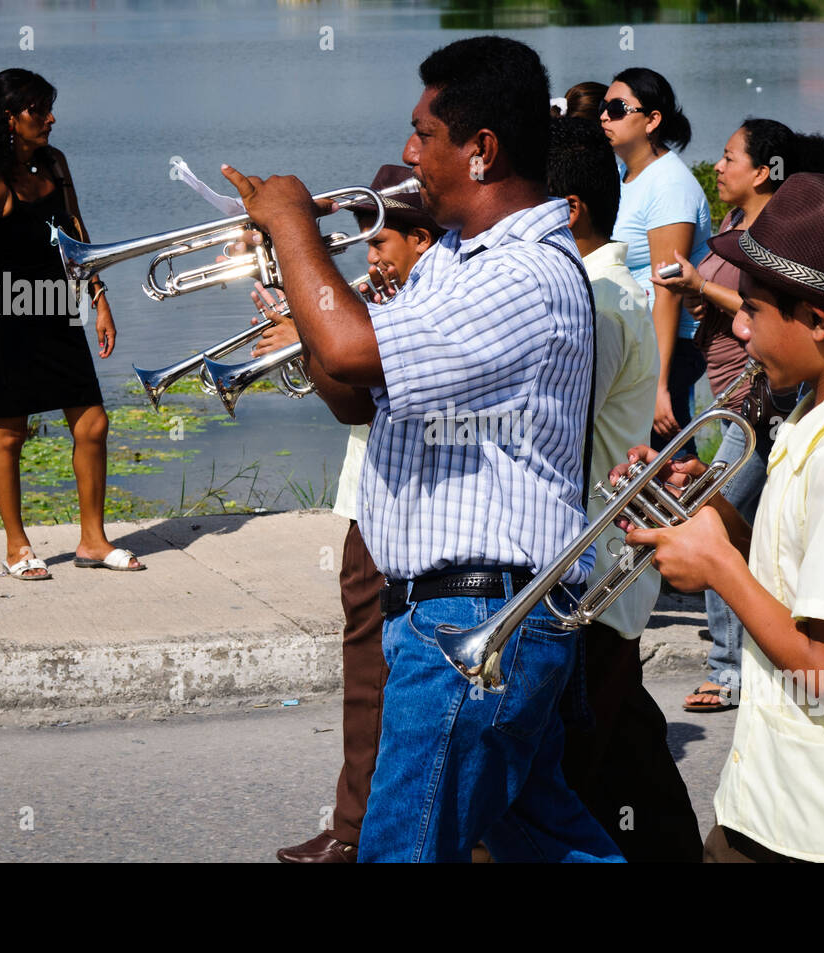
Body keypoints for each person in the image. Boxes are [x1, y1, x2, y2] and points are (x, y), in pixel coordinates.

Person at [222, 36, 622, 862]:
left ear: (480, 152)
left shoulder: (523, 276)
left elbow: (350, 351)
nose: (408, 153)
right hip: (456, 617)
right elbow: (351, 394)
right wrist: (295, 288)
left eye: (423, 134)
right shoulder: (451, 263)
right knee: (553, 847)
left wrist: (296, 227)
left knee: (397, 851)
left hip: (475, 622)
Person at [622, 173, 824, 862]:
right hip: (774, 805)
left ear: (820, 322)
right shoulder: (821, 407)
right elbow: (797, 572)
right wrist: (706, 510)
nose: (738, 325)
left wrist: (717, 567)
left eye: (755, 309)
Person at [256, 165, 444, 862]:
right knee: (370, 674)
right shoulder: (384, 301)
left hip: (391, 510)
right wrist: (306, 324)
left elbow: (359, 397)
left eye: (380, 243)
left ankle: (357, 830)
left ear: (422, 239)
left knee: (375, 677)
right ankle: (359, 823)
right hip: (367, 499)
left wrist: (312, 335)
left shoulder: (428, 305)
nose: (369, 259)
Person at [546, 117, 703, 861]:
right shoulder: (604, 285)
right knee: (626, 754)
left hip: (591, 577)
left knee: (568, 779)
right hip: (607, 570)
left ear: (567, 210)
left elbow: (558, 445)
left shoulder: (600, 302)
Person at [653, 119, 824, 713]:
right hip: (730, 393)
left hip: (763, 399)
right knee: (745, 522)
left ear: (763, 172)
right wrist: (700, 292)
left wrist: (708, 286)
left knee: (713, 512)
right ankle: (768, 652)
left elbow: (772, 308)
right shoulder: (731, 225)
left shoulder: (778, 232)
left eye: (729, 158)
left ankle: (730, 669)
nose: (718, 167)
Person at [0, 69, 143, 579]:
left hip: (61, 311)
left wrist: (99, 298)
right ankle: (17, 546)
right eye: (39, 111)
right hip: (11, 318)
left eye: (49, 108)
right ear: (10, 119)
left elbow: (78, 235)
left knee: (93, 423)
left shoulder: (55, 165)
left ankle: (92, 541)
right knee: (10, 433)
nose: (51, 119)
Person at [601, 67, 712, 449]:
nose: (604, 116)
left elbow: (668, 287)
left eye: (617, 108)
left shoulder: (669, 185)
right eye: (603, 106)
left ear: (651, 120)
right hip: (636, 342)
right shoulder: (621, 173)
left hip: (667, 350)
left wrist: (659, 385)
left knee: (671, 469)